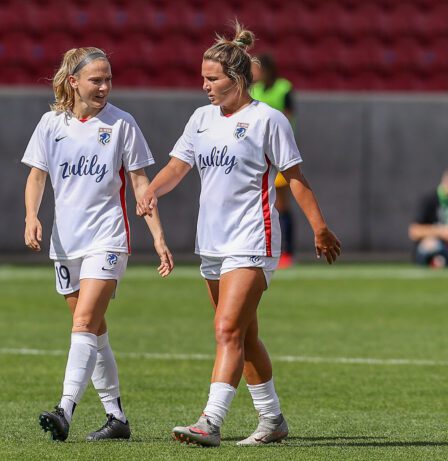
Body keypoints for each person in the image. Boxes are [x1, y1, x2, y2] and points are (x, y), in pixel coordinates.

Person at [137, 23, 341, 447]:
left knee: (227, 329)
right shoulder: (201, 119)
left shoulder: (269, 119)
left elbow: (296, 178)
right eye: (203, 78)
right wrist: (152, 190)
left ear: (239, 77)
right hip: (212, 241)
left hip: (253, 238)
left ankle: (210, 421)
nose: (205, 86)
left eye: (212, 79)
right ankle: (272, 420)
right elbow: (179, 165)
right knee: (244, 336)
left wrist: (319, 227)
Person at [22, 47, 174, 442]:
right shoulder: (50, 124)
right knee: (95, 331)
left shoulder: (122, 124)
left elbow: (141, 184)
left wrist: (158, 236)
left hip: (108, 238)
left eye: (108, 79)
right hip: (65, 242)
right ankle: (116, 416)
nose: (105, 86)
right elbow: (37, 176)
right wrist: (31, 216)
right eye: (96, 79)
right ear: (74, 82)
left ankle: (64, 409)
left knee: (84, 323)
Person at [250, 54, 296, 268]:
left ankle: (287, 251)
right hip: (257, 154)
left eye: (256, 69)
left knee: (281, 204)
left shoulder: (284, 88)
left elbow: (287, 117)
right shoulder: (253, 90)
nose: (253, 73)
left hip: (278, 153)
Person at [408, 169, 448, 268]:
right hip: (436, 246)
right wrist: (441, 232)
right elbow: (414, 231)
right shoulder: (430, 200)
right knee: (431, 246)